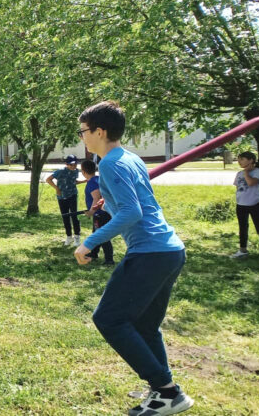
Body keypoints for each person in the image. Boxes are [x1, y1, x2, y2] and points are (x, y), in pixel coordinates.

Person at [75, 101, 193, 416]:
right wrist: (109, 204)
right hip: (169, 249)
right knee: (144, 325)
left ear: (100, 131)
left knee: (109, 319)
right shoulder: (129, 158)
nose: (81, 137)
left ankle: (166, 390)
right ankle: (164, 390)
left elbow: (132, 212)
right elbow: (136, 201)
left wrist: (89, 242)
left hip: (149, 253)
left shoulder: (110, 165)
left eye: (83, 131)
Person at [230, 151, 259, 260]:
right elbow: (238, 187)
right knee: (243, 227)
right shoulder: (239, 173)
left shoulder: (258, 171)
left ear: (251, 160)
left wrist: (246, 172)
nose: (239, 162)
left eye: (242, 159)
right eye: (238, 159)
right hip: (241, 205)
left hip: (255, 204)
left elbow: (251, 183)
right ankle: (243, 250)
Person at [46, 154, 86, 246]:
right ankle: (69, 237)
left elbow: (73, 182)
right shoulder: (60, 171)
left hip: (72, 195)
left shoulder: (76, 171)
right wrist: (57, 188)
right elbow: (48, 179)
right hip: (62, 197)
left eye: (75, 164)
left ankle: (77, 237)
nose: (73, 166)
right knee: (65, 217)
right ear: (66, 164)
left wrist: (83, 181)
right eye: (71, 164)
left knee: (74, 216)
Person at [80, 160, 114, 266]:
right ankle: (94, 253)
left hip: (100, 213)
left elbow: (97, 197)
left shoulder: (92, 182)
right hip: (103, 212)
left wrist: (91, 211)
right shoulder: (98, 179)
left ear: (83, 171)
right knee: (96, 233)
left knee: (103, 235)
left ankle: (109, 260)